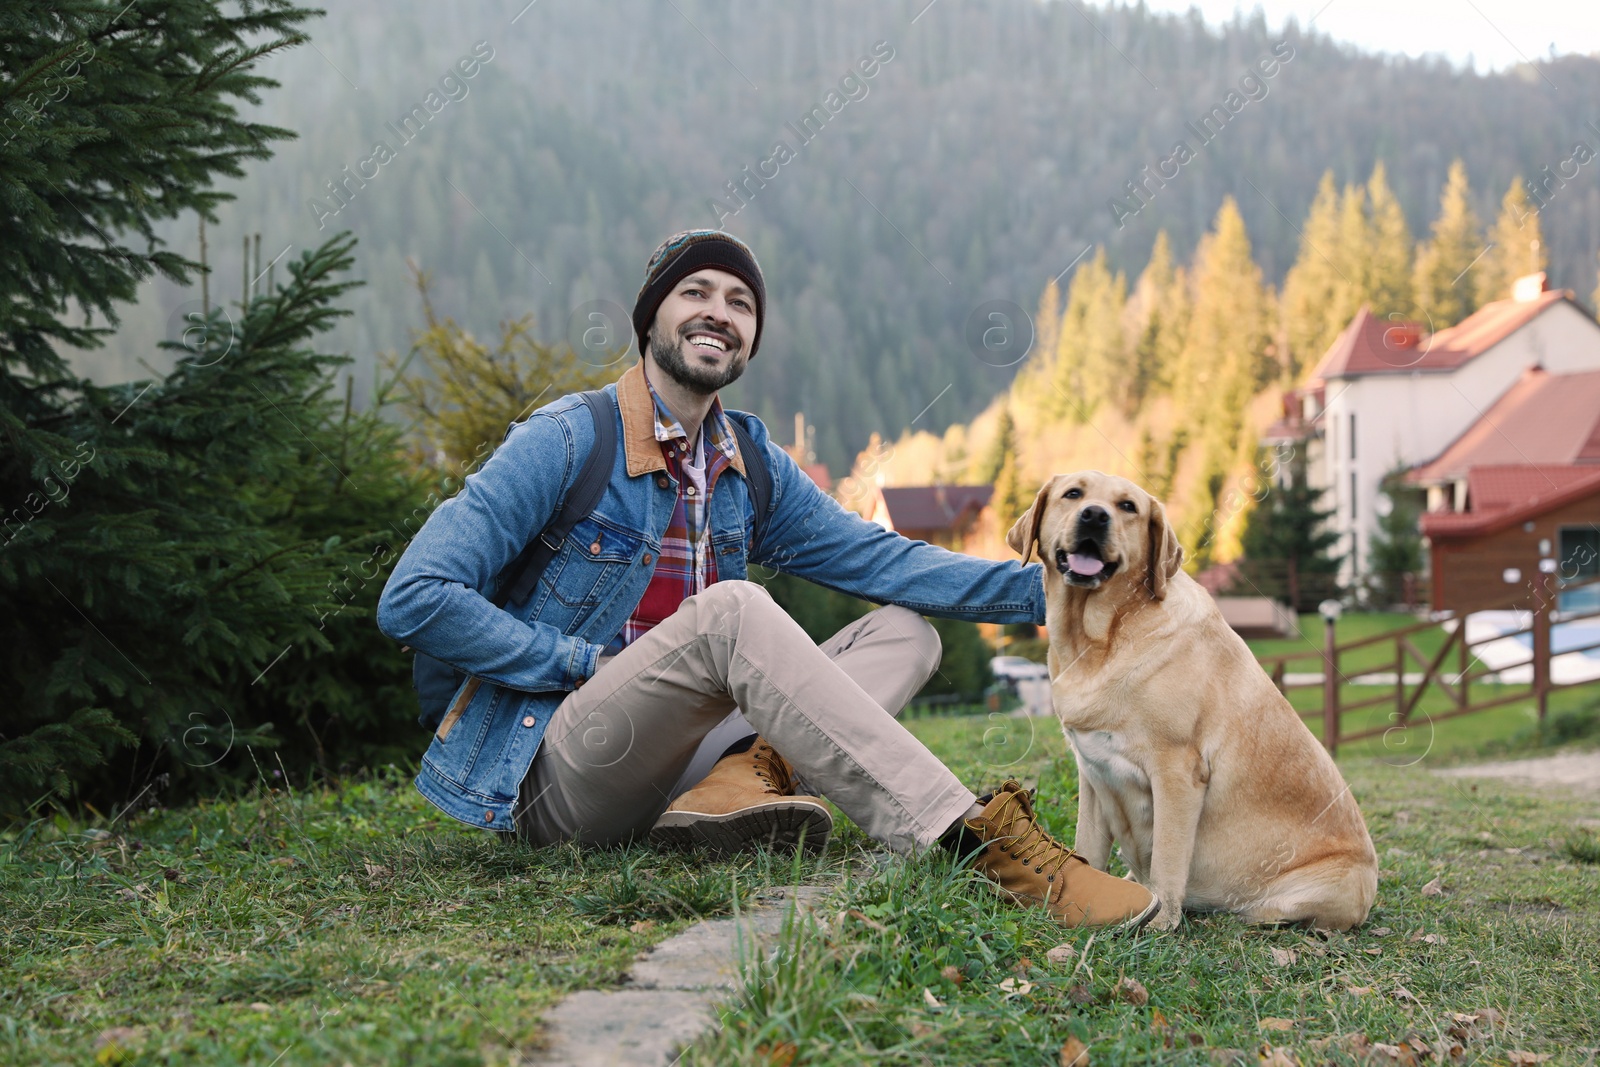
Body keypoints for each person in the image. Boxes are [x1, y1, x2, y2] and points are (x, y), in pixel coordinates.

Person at [377, 229, 1157, 929]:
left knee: (903, 633)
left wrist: (1056, 589)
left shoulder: (746, 465)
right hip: (560, 764)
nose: (719, 311)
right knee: (733, 612)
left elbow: (887, 561)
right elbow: (414, 597)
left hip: (670, 759)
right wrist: (582, 663)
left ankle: (722, 792)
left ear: (751, 337)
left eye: (741, 302)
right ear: (650, 319)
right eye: (696, 292)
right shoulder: (567, 439)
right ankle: (979, 844)